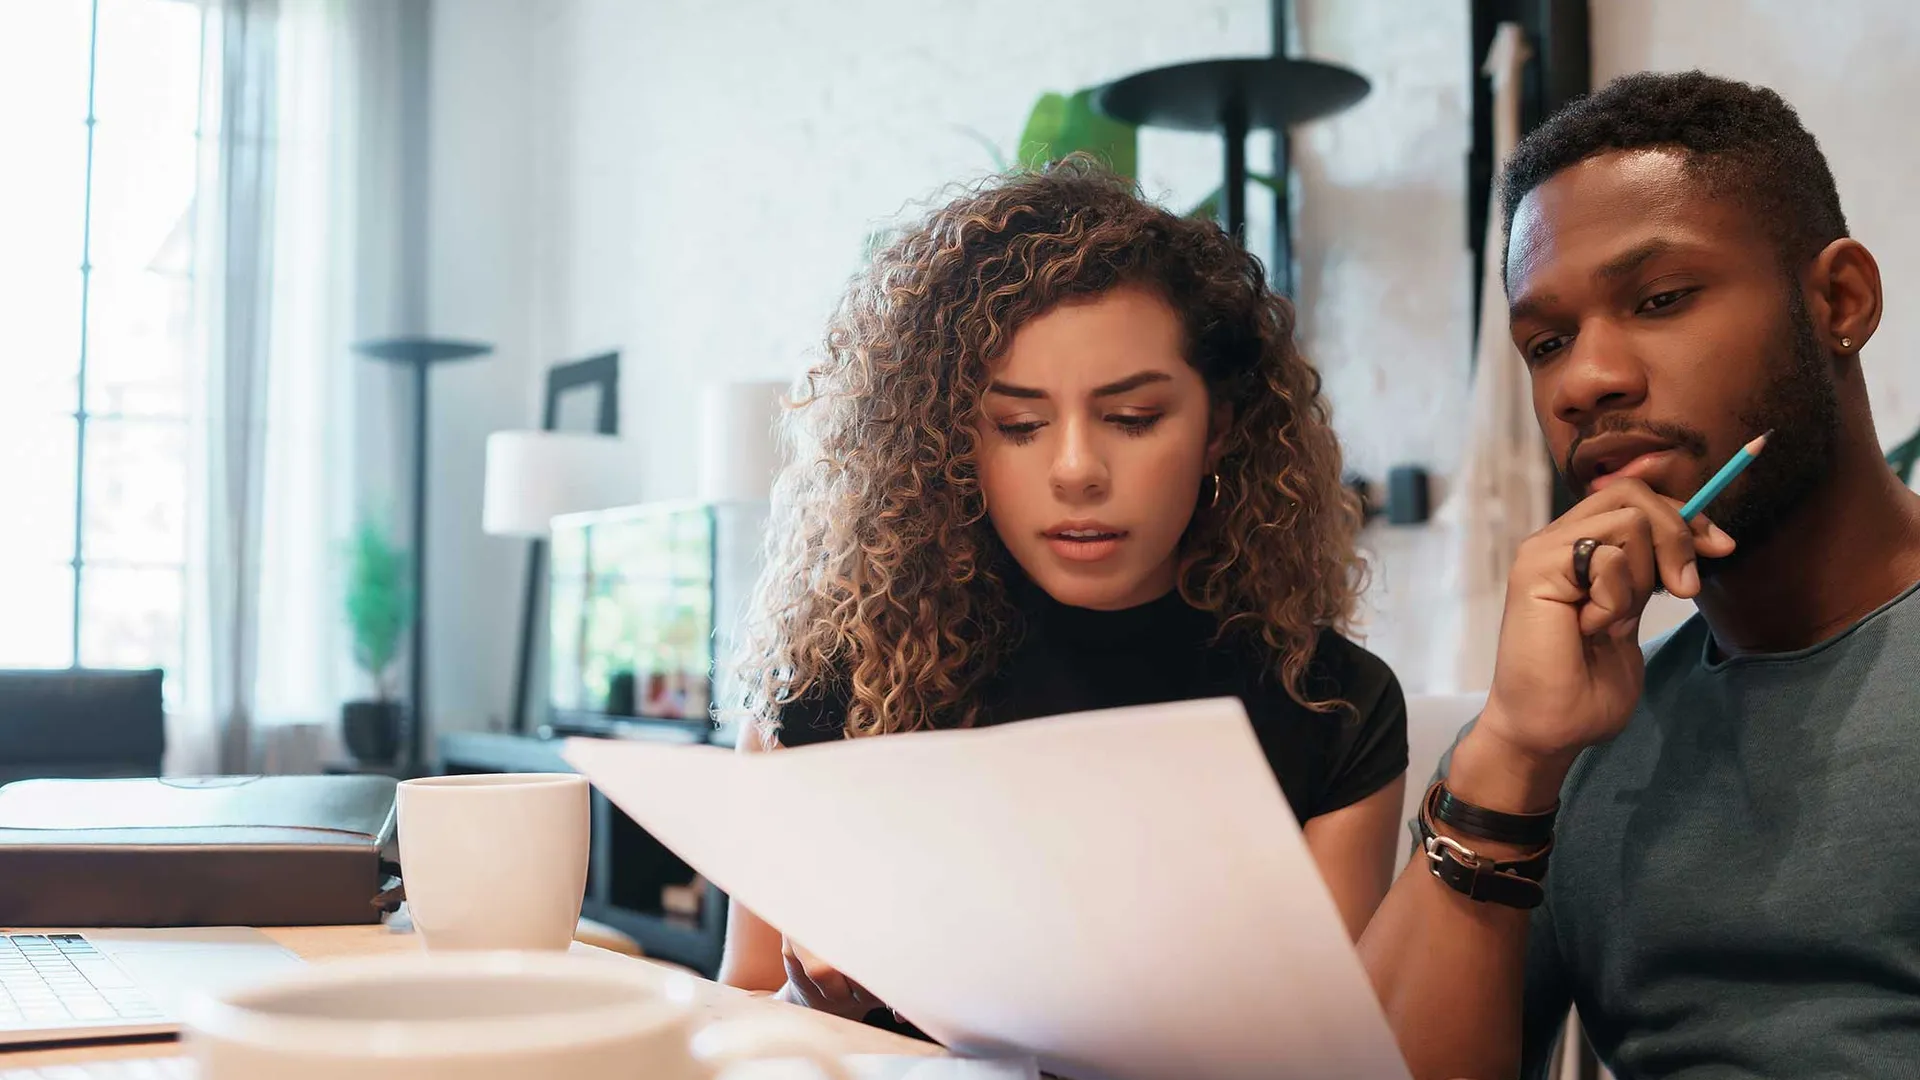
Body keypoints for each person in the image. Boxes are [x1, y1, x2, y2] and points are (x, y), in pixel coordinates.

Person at [715, 158, 1409, 1028]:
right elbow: (743, 1002)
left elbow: (1330, 1046)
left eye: (1132, 418)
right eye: (1020, 426)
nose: (1077, 470)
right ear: (952, 445)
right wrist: (815, 1000)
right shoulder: (834, 688)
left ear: (1219, 429)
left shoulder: (1330, 704)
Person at [1359, 70, 1920, 1080]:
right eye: (1546, 342)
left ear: (1840, 300)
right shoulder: (1572, 734)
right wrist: (1512, 759)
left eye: (1659, 300)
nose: (1585, 381)